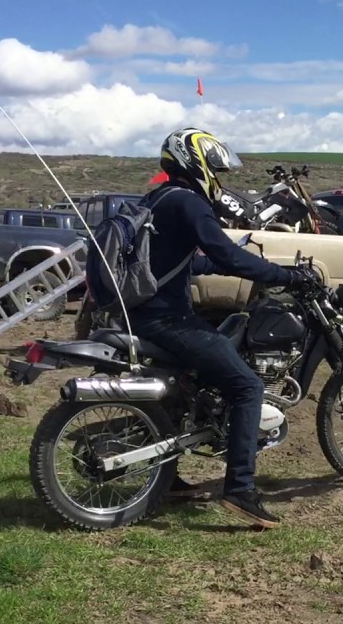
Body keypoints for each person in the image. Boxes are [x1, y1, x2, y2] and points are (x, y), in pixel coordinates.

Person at [127, 127, 319, 529]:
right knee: (247, 386)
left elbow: (182, 261)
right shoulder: (189, 202)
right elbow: (227, 254)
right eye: (215, 169)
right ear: (195, 163)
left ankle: (167, 478)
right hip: (167, 320)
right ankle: (240, 489)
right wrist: (284, 275)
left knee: (187, 387)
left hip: (145, 314)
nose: (218, 178)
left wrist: (223, 264)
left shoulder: (159, 198)